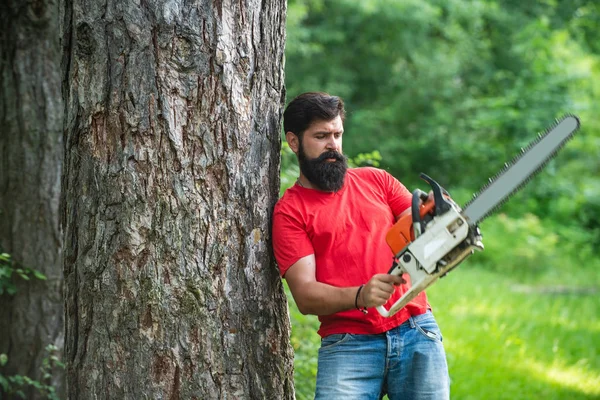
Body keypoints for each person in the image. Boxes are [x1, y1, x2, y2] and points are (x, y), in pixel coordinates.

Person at [272, 92, 450, 399]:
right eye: (321, 136)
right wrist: (360, 295)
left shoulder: (377, 181)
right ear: (294, 141)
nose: (333, 145)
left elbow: (419, 227)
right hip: (348, 344)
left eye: (337, 134)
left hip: (415, 328)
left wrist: (439, 220)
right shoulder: (290, 211)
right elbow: (305, 295)